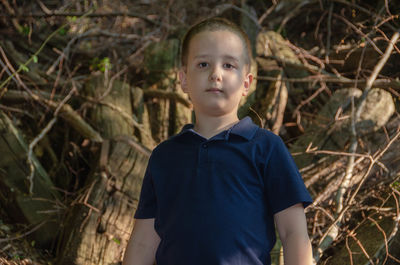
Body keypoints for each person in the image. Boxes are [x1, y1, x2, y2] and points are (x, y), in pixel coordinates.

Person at [123, 17, 313, 265]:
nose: (215, 74)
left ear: (246, 83)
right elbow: (143, 241)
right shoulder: (165, 156)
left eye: (228, 66)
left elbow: (294, 233)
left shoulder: (266, 147)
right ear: (183, 79)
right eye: (203, 64)